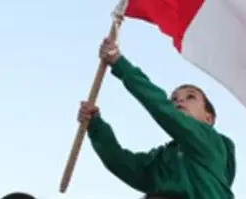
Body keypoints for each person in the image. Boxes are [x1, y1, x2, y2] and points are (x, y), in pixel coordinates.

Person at [78, 38, 236, 199]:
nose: (179, 101)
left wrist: (120, 64)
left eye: (190, 97)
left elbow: (163, 109)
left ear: (208, 119)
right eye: (173, 99)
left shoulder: (212, 141)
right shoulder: (162, 158)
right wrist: (95, 125)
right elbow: (121, 163)